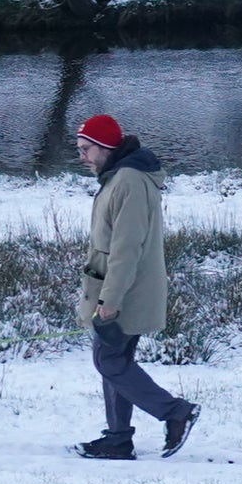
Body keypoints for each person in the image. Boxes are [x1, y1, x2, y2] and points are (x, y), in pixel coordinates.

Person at [71, 113, 197, 459]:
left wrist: (109, 301)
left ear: (105, 147)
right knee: (113, 360)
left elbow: (126, 249)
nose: (81, 157)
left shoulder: (128, 181)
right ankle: (118, 438)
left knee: (109, 361)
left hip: (126, 292)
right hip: (116, 288)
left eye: (85, 150)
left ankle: (175, 412)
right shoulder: (119, 177)